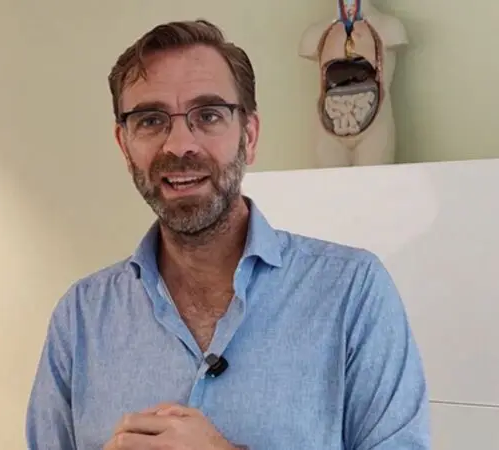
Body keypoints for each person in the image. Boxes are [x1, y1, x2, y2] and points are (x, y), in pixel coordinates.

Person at [25, 19, 430, 449]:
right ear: (125, 146)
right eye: (150, 120)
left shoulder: (353, 292)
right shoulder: (81, 318)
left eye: (209, 115)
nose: (179, 145)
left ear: (249, 137)